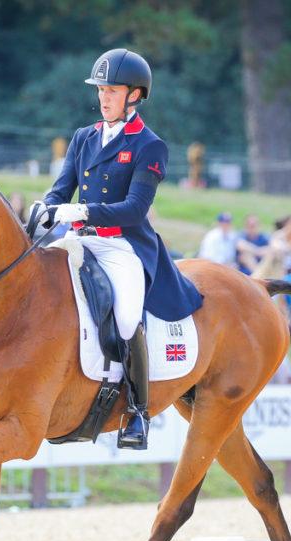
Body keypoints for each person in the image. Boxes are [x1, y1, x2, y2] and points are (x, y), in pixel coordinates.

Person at [39, 48, 203, 449]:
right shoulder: (83, 137)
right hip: (79, 240)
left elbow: (134, 209)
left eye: (111, 90)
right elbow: (61, 188)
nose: (103, 97)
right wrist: (45, 207)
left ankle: (137, 412)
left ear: (134, 95)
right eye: (100, 89)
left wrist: (84, 209)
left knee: (128, 319)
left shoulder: (150, 145)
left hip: (121, 246)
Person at [252, 213, 291, 280]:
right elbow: (276, 247)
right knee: (273, 255)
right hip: (279, 267)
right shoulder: (279, 235)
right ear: (287, 224)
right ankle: (258, 278)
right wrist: (290, 247)